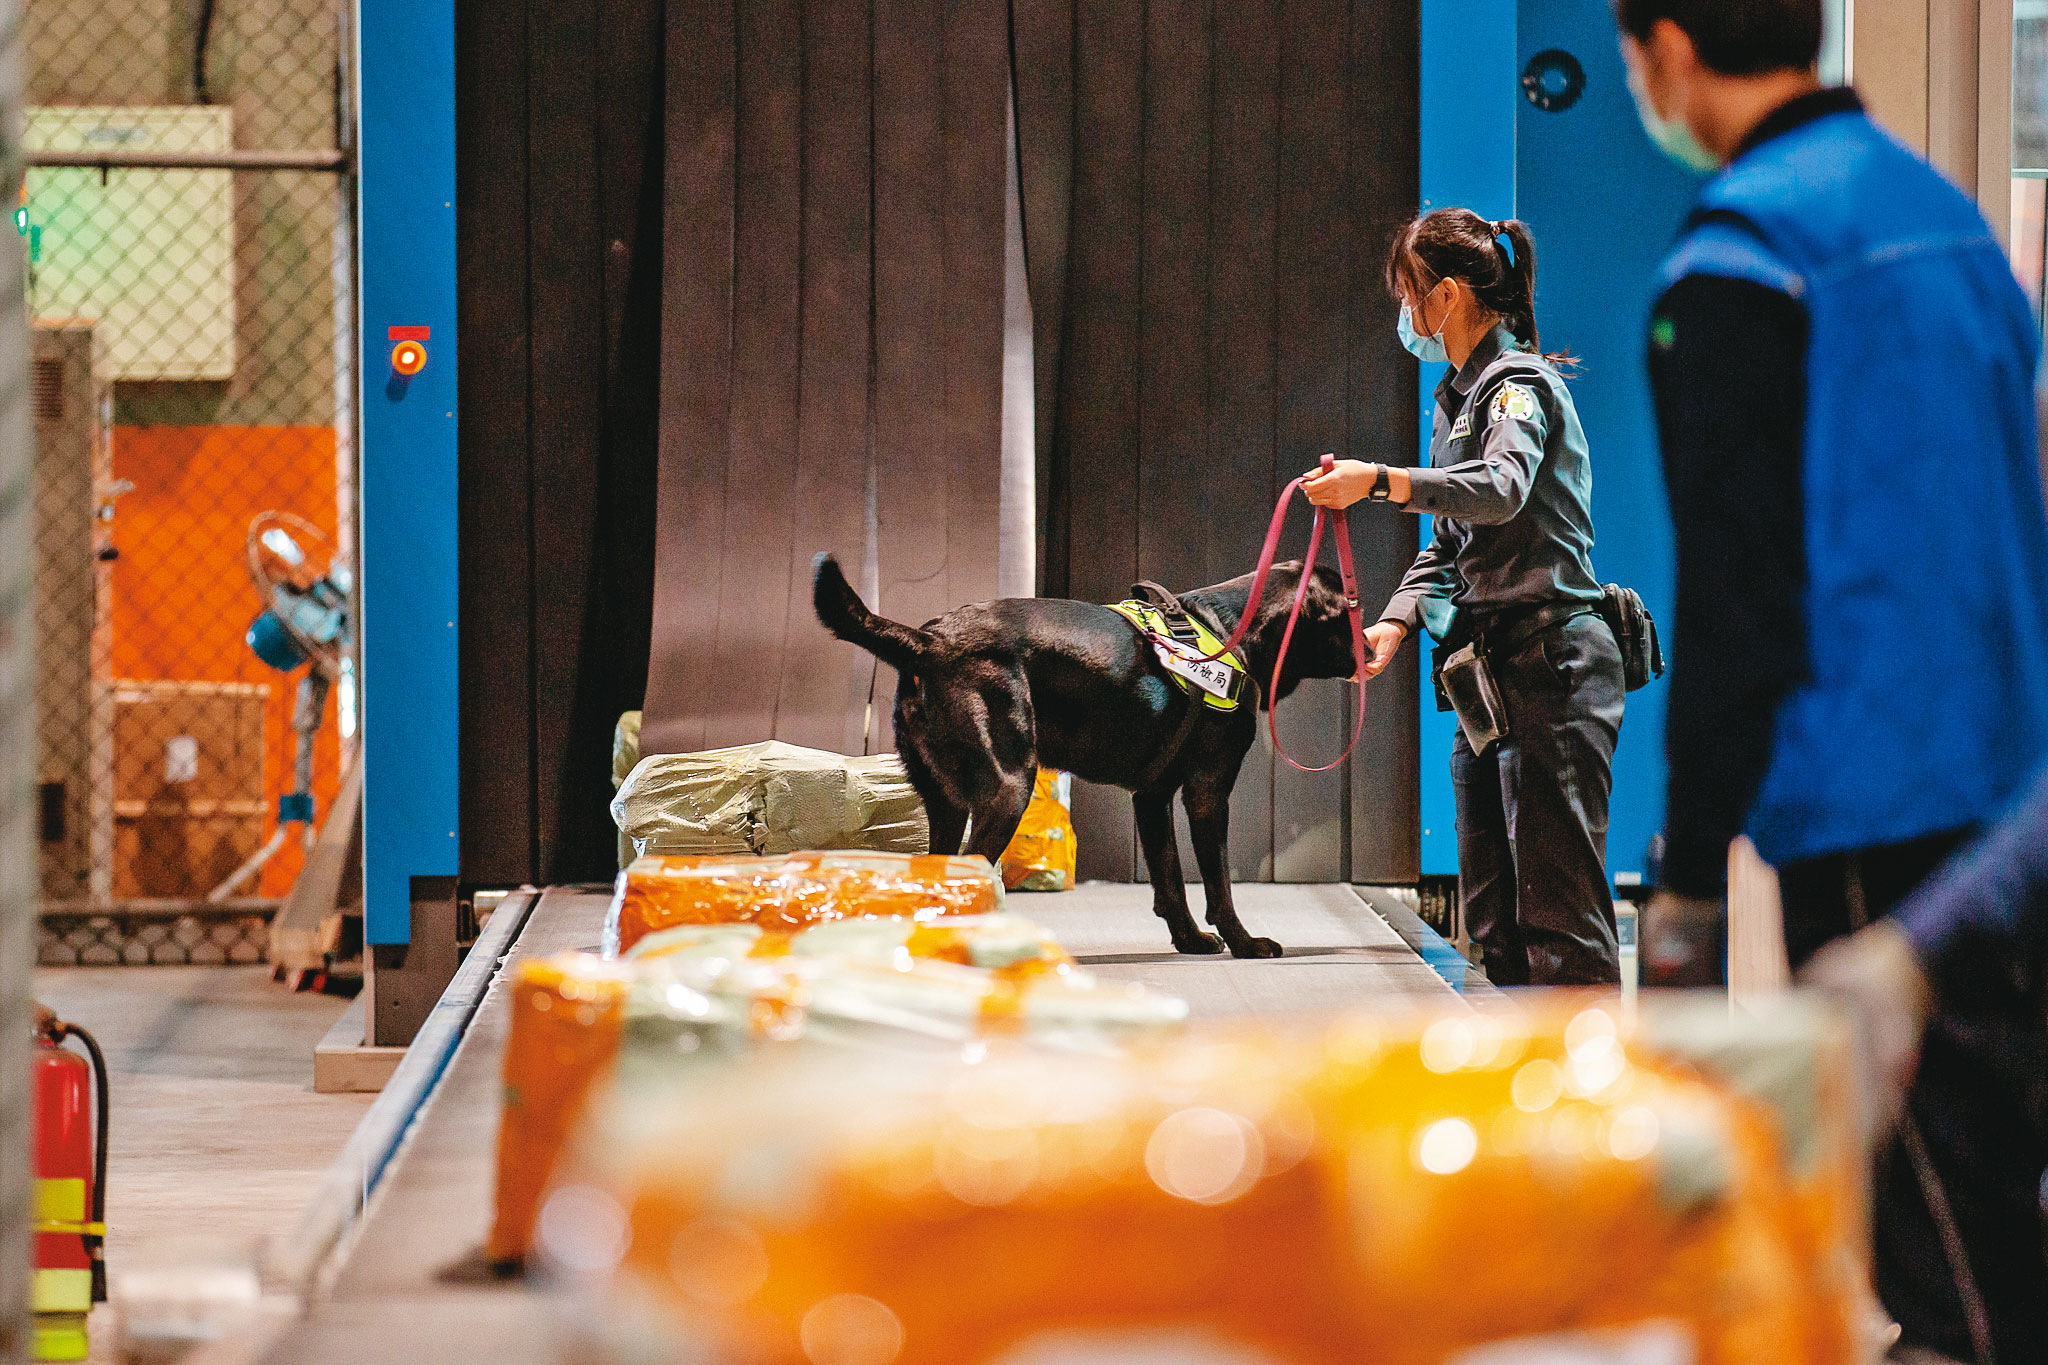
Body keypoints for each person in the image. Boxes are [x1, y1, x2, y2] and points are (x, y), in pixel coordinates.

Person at [1616, 0, 2048, 1357]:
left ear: (1671, 50)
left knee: (1936, 1244)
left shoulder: (1745, 256)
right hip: (2011, 797)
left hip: (1872, 803)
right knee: (1997, 1197)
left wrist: (1688, 864)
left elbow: (1738, 590)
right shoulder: (1949, 223)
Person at [1303, 208, 1624, 987]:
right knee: (1492, 917)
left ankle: (1589, 1099)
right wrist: (1392, 623)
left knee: (1561, 917)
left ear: (1446, 297)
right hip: (1489, 676)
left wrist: (1380, 482)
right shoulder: (1459, 403)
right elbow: (1451, 541)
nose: (1407, 314)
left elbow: (1502, 489)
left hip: (1555, 669)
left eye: (1410, 293)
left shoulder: (1518, 389)